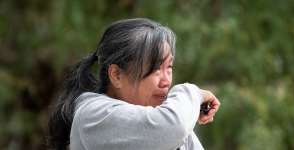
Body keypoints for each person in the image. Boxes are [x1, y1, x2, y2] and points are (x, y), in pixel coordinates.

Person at [48, 18, 220, 150]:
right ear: (116, 75)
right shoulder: (93, 114)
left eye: (169, 67)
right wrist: (192, 93)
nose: (166, 80)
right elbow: (173, 126)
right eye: (155, 69)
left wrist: (186, 109)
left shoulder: (174, 124)